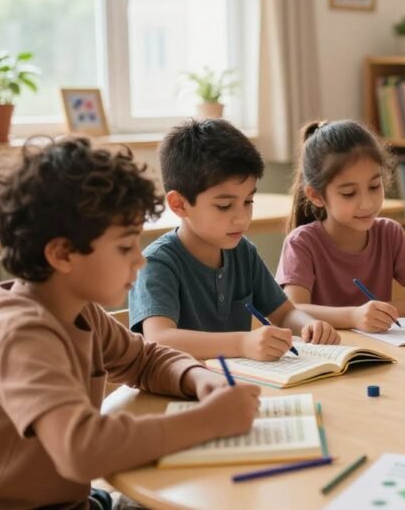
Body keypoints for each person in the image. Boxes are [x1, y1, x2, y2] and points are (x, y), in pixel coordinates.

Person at [0, 137, 261, 509]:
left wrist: (199, 379)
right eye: (125, 247)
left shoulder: (78, 310)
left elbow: (145, 360)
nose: (139, 261)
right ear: (62, 254)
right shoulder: (21, 334)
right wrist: (210, 421)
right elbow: (81, 450)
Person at [129, 119, 339, 361]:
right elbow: (160, 338)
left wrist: (308, 325)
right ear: (179, 204)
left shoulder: (243, 252)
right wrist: (242, 343)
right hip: (178, 391)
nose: (241, 218)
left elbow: (284, 313)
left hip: (235, 385)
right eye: (224, 206)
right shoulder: (158, 263)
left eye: (248, 201)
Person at [276, 120, 405, 331]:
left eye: (374, 186)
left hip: (377, 350)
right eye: (349, 193)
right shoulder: (302, 242)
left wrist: (378, 314)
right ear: (316, 195)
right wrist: (354, 316)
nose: (367, 203)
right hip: (325, 355)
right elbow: (293, 310)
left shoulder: (389, 233)